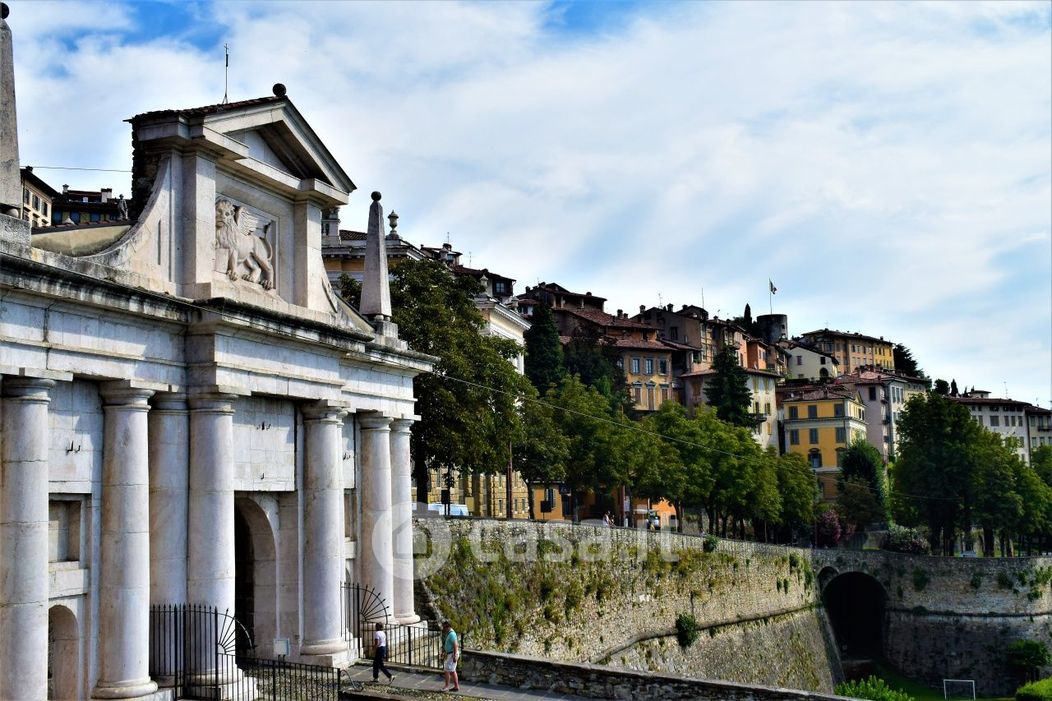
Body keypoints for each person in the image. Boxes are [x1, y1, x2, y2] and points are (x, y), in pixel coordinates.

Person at [441, 621, 460, 692]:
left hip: (452, 654)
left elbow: (455, 645)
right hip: (451, 654)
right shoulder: (450, 633)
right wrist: (444, 652)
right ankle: (456, 686)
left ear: (448, 627)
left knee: (447, 670)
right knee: (452, 671)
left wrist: (454, 656)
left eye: (444, 627)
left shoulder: (451, 634)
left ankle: (446, 687)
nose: (443, 629)